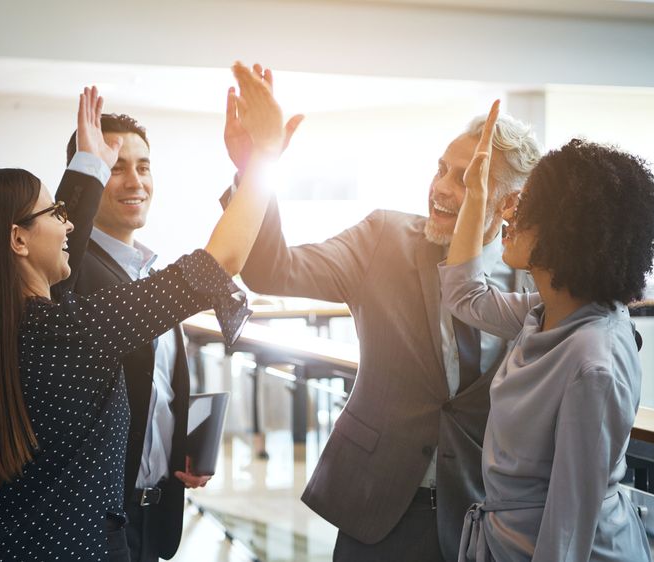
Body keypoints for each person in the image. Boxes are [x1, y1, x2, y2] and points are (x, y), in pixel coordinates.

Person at [0, 63, 284, 562]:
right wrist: (264, 158)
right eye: (55, 213)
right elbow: (217, 263)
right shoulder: (73, 332)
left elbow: (62, 265)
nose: (69, 224)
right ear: (18, 240)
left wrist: (91, 166)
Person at [222, 66, 542, 562]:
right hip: (379, 509)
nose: (441, 187)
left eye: (467, 179)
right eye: (441, 169)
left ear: (510, 203)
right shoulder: (382, 237)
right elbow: (271, 270)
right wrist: (254, 172)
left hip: (484, 520)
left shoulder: (536, 281)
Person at [58, 105, 297, 561]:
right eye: (113, 168)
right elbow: (221, 259)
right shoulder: (68, 276)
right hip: (95, 518)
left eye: (143, 167)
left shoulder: (150, 272)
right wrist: (260, 167)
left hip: (155, 514)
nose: (135, 182)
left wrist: (179, 449)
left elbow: (157, 388)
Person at [439, 101, 654, 561]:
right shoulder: (549, 312)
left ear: (567, 233)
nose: (511, 215)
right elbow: (464, 295)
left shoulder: (591, 363)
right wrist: (475, 192)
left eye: (530, 207)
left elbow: (567, 532)